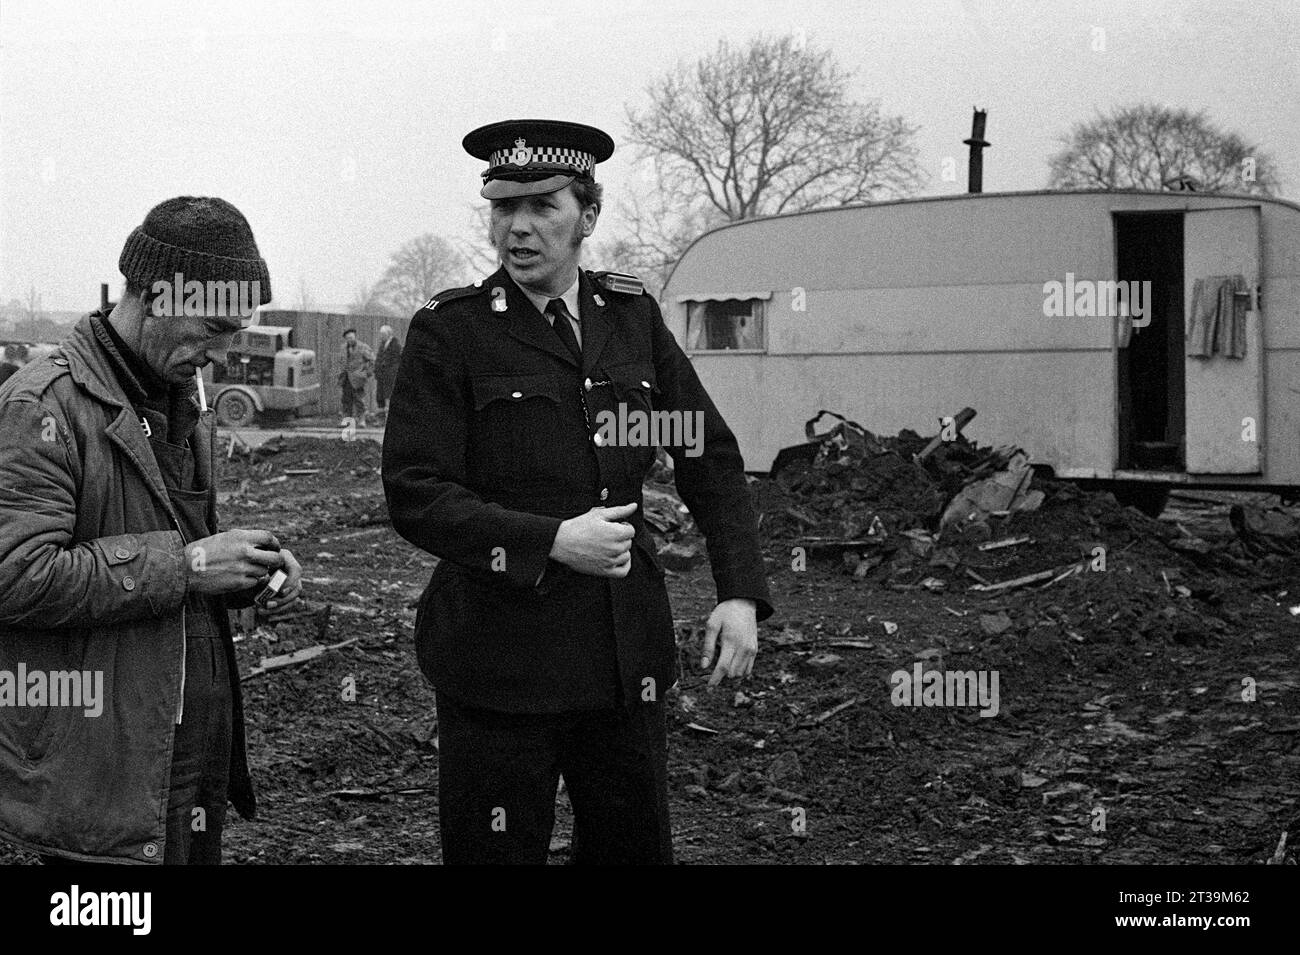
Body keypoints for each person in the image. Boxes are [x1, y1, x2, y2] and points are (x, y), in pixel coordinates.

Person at [382, 120, 773, 865]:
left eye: (542, 207)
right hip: (498, 669)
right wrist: (551, 540)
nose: (517, 228)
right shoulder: (451, 332)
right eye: (503, 208)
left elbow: (707, 456)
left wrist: (740, 591)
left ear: (588, 216)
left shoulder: (631, 320)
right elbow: (415, 491)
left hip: (622, 665)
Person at [0, 196, 303, 864]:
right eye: (214, 327)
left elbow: (179, 558)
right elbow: (17, 576)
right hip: (101, 767)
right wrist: (191, 565)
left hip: (186, 754)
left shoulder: (177, 403)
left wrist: (249, 570)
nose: (221, 354)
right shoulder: (42, 404)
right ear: (156, 294)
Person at [339, 328, 374, 428]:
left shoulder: (363, 347)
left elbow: (372, 360)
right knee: (346, 400)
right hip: (346, 378)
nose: (350, 339)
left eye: (351, 337)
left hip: (358, 379)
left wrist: (367, 373)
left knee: (359, 400)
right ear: (345, 339)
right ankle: (347, 420)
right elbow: (342, 361)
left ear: (355, 337)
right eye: (348, 338)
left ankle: (362, 420)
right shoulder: (343, 348)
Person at [374, 324, 402, 419]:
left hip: (390, 377)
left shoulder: (396, 345)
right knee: (380, 397)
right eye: (380, 334)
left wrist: (390, 372)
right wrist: (377, 371)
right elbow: (378, 359)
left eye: (383, 334)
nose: (381, 336)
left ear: (389, 334)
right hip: (381, 377)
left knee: (389, 397)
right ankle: (381, 419)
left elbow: (396, 362)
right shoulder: (382, 345)